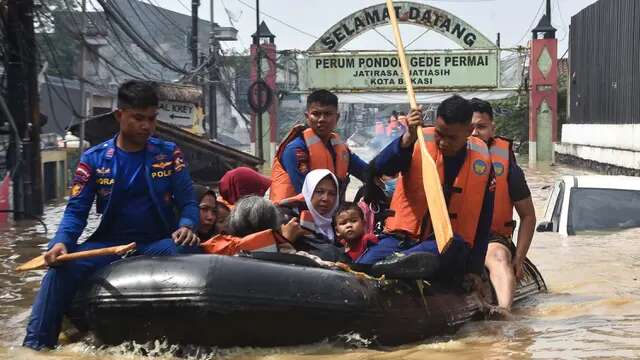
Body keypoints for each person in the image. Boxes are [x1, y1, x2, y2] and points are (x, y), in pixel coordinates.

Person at [23, 80, 199, 350]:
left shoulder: (168, 153)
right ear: (120, 116)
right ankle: (35, 347)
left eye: (151, 119)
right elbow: (75, 212)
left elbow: (188, 202)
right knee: (60, 270)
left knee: (187, 253)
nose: (146, 126)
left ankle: (187, 343)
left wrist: (187, 225)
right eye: (138, 118)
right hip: (109, 245)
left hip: (158, 244)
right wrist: (60, 243)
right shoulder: (94, 159)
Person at [357, 95, 495, 284]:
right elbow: (377, 169)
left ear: (469, 131)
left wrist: (475, 269)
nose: (443, 142)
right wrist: (406, 138)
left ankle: (398, 264)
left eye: (452, 137)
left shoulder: (482, 163)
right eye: (440, 134)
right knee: (361, 266)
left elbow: (484, 220)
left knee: (451, 245)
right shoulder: (417, 141)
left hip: (444, 245)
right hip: (401, 239)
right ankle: (390, 264)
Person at [470, 98, 536, 310]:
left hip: (492, 238)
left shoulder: (507, 166)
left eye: (481, 127)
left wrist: (519, 257)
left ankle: (505, 314)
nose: (474, 133)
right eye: (469, 127)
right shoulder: (446, 157)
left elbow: (528, 216)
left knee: (498, 257)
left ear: (492, 128)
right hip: (453, 235)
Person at [270, 89, 368, 202]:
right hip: (293, 215)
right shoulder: (296, 149)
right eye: (316, 114)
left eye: (327, 114)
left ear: (337, 118)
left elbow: (367, 172)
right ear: (307, 116)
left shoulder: (340, 149)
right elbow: (306, 193)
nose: (321, 119)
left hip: (328, 213)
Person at [275, 169, 349, 262]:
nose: (325, 198)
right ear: (308, 192)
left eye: (332, 194)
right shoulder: (288, 218)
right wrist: (285, 239)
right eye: (319, 191)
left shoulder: (340, 223)